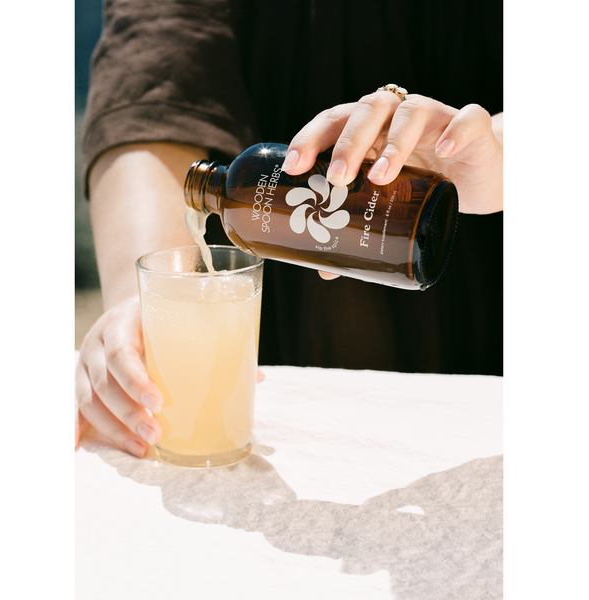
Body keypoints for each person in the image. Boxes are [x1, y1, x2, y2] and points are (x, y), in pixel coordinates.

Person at [76, 0, 503, 457]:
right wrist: (141, 306)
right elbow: (154, 65)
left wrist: (498, 158)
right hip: (286, 398)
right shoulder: (238, 217)